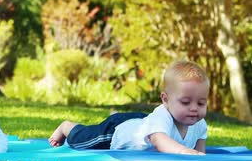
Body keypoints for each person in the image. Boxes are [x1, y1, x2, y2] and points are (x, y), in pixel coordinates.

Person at [48, 60, 209, 155]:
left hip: (140, 121)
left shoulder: (199, 123)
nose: (194, 108)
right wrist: (185, 152)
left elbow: (200, 150)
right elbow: (161, 142)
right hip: (115, 133)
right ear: (165, 100)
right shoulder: (162, 117)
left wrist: (199, 156)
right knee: (83, 140)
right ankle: (67, 127)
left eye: (201, 103)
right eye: (186, 102)